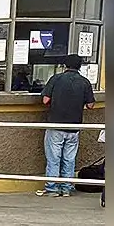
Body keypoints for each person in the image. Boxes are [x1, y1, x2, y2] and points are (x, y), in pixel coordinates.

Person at [37, 54, 96, 197]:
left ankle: (52, 188)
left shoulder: (56, 79)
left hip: (56, 125)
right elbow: (90, 105)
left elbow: (45, 100)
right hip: (75, 127)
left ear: (65, 65)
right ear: (80, 66)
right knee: (69, 159)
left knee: (54, 158)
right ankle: (66, 188)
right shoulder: (84, 82)